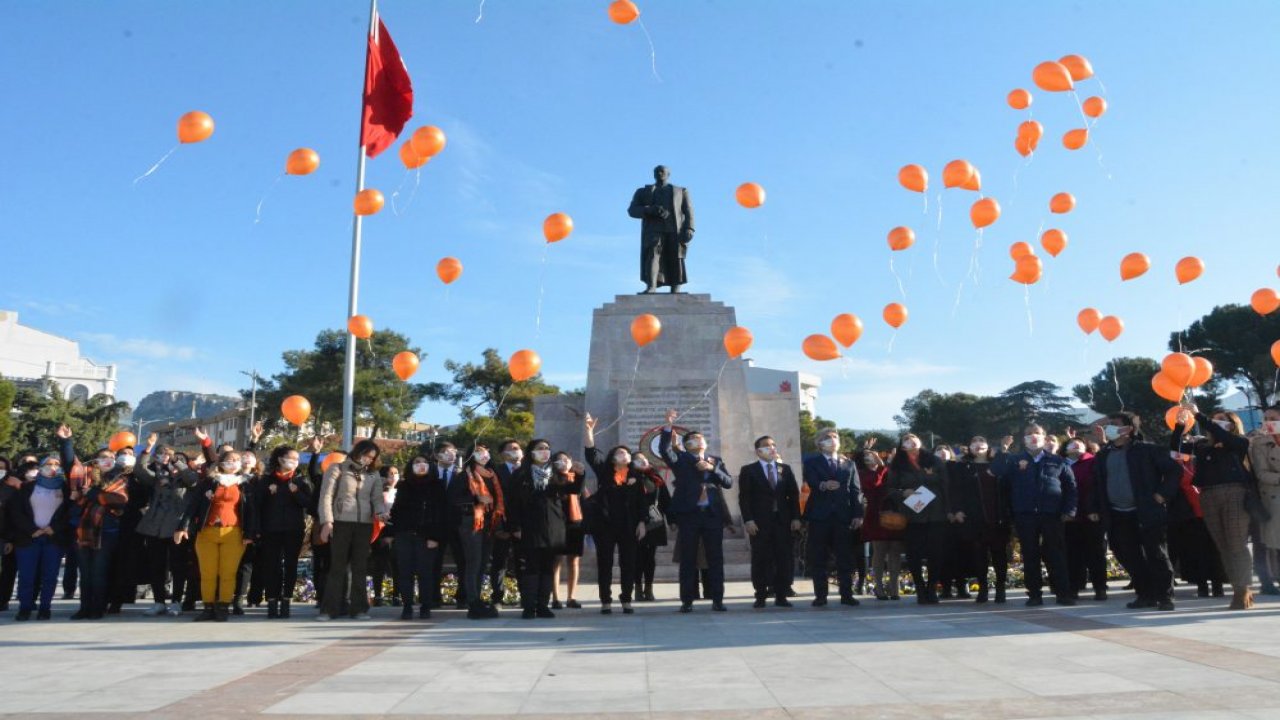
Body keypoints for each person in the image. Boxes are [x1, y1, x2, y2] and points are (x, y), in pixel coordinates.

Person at [1089, 412, 1183, 611]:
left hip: (1146, 512)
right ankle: (1144, 594)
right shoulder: (1103, 454)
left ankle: (1165, 596)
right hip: (1117, 514)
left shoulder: (1148, 450)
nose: (1109, 428)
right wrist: (1095, 508)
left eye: (1114, 424)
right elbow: (1097, 484)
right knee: (1129, 555)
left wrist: (1162, 494)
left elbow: (1174, 470)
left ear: (1128, 429)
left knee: (1156, 554)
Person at [1175, 408, 1255, 609]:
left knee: (1237, 544)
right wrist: (1179, 427)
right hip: (1208, 495)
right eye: (1214, 420)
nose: (1216, 423)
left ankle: (1242, 589)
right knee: (1223, 546)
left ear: (1232, 424)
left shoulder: (1239, 443)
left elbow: (1225, 437)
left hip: (1235, 493)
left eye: (1221, 420)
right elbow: (1174, 450)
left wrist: (1201, 416)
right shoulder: (1202, 447)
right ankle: (1238, 586)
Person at [992, 424, 1077, 606]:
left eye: (1037, 433)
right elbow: (1002, 486)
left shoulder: (1057, 461)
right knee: (1030, 555)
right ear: (1023, 439)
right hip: (1025, 515)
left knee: (1056, 554)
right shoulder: (1014, 461)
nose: (1033, 437)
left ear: (1045, 437)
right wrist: (1009, 514)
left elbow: (1071, 488)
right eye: (1028, 434)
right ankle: (1034, 594)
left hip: (1052, 515)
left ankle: (1063, 593)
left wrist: (1069, 510)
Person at [660, 409, 734, 613]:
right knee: (688, 559)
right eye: (692, 439)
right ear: (686, 445)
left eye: (700, 438)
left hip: (712, 515)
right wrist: (668, 427)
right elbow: (665, 451)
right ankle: (687, 600)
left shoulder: (715, 460)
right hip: (689, 515)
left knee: (715, 558)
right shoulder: (681, 460)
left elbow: (728, 482)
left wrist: (712, 469)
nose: (697, 441)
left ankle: (717, 599)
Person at [175, 450, 258, 622]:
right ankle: (208, 607)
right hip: (207, 531)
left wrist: (249, 534)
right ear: (221, 463)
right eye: (229, 460)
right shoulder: (208, 482)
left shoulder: (245, 484)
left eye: (237, 460)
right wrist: (182, 527)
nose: (233, 463)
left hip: (233, 532)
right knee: (208, 572)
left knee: (228, 572)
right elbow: (192, 506)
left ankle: (223, 607)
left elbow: (252, 512)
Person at [59, 425, 130, 620]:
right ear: (96, 461)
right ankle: (84, 607)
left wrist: (93, 494)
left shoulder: (119, 477)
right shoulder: (86, 475)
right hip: (84, 530)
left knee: (99, 573)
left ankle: (97, 608)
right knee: (86, 573)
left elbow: (120, 500)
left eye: (111, 457)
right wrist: (66, 442)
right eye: (103, 457)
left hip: (107, 531)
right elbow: (70, 464)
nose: (107, 460)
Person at [315, 440, 388, 621]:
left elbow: (377, 499)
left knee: (360, 567)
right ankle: (329, 609)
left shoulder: (374, 474)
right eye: (366, 455)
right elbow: (326, 497)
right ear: (357, 452)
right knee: (337, 566)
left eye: (372, 458)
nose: (368, 460)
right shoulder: (337, 469)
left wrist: (380, 512)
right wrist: (327, 522)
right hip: (340, 522)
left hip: (364, 524)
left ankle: (359, 609)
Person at [584, 414, 649, 615]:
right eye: (620, 453)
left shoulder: (636, 476)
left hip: (629, 525)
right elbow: (591, 453)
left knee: (628, 563)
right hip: (605, 525)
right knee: (605, 563)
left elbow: (642, 502)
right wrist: (589, 431)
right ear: (613, 457)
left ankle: (626, 599)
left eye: (627, 453)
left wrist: (642, 522)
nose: (625, 456)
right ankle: (605, 600)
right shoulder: (605, 471)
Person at [134, 434, 199, 616]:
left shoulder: (186, 479)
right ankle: (159, 601)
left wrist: (178, 463)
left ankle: (176, 601)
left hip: (177, 527)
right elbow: (140, 471)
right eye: (164, 455)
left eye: (175, 458)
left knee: (178, 566)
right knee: (157, 565)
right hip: (154, 526)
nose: (169, 459)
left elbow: (193, 480)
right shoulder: (158, 478)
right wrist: (148, 449)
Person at [508, 439, 569, 619]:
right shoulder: (521, 474)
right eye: (540, 449)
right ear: (531, 452)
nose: (544, 452)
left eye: (547, 449)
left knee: (548, 568)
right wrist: (515, 526)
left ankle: (543, 605)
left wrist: (576, 474)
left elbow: (573, 491)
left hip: (553, 527)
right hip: (529, 527)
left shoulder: (557, 474)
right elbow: (512, 503)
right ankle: (528, 606)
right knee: (531, 568)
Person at [8, 455, 73, 620]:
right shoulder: (27, 487)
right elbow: (16, 512)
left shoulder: (65, 489)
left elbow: (69, 513)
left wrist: (55, 528)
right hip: (29, 538)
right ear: (41, 467)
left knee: (50, 576)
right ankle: (25, 608)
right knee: (26, 576)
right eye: (48, 464)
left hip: (53, 539)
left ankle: (45, 608)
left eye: (56, 464)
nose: (52, 467)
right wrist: (32, 530)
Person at [802, 429, 863, 607]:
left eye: (835, 437)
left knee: (845, 558)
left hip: (843, 516)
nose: (832, 440)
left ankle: (847, 594)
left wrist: (858, 513)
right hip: (820, 516)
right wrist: (823, 484)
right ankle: (821, 595)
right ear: (820, 443)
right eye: (827, 438)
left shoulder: (849, 464)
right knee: (818, 558)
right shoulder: (812, 462)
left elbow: (855, 490)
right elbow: (812, 480)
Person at [739, 435, 801, 608]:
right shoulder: (749, 470)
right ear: (758, 451)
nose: (771, 448)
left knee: (783, 558)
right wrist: (748, 520)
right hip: (759, 522)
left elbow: (793, 495)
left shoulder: (785, 469)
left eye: (773, 445)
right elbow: (744, 498)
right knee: (760, 558)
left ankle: (781, 594)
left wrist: (796, 517)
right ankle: (760, 594)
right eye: (766, 446)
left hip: (782, 521)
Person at [886, 433, 948, 604]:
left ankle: (932, 588)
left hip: (935, 513)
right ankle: (920, 588)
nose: (911, 441)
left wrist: (949, 510)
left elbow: (944, 484)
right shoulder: (897, 464)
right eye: (906, 439)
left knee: (936, 553)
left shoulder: (933, 460)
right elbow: (890, 489)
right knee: (914, 554)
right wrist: (903, 492)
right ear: (902, 445)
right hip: (912, 515)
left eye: (913, 437)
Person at [947, 437, 1009, 603]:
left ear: (988, 446)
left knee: (1000, 555)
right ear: (969, 447)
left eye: (982, 441)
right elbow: (954, 490)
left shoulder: (998, 464)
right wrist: (957, 510)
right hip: (974, 517)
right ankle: (983, 588)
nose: (978, 444)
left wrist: (1003, 451)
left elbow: (1008, 486)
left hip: (998, 517)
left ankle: (1001, 588)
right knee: (979, 555)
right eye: (974, 442)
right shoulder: (962, 467)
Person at [256, 444, 313, 619]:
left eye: (297, 459)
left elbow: (310, 504)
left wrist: (296, 493)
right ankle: (272, 601)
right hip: (271, 529)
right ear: (280, 459)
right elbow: (257, 505)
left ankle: (286, 601)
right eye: (291, 458)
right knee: (271, 566)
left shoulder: (300, 480)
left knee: (290, 565)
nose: (294, 462)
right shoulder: (266, 480)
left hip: (293, 529)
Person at [390, 454, 446, 620]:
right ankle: (407, 605)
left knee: (425, 572)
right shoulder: (404, 485)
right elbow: (396, 510)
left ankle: (426, 606)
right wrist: (392, 532)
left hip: (427, 536)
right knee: (405, 571)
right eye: (416, 462)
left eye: (424, 462)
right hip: (404, 534)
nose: (420, 465)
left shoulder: (437, 486)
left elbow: (441, 514)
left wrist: (435, 536)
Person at [627, 164, 695, 294]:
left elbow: (688, 211)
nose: (659, 174)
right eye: (657, 172)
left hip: (675, 230)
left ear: (668, 174)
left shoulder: (680, 191)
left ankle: (676, 287)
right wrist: (649, 209)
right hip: (653, 230)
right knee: (652, 255)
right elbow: (632, 210)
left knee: (676, 257)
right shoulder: (643, 192)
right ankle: (651, 286)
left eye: (662, 171)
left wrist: (690, 228)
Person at [457, 445, 504, 619]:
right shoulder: (465, 475)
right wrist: (476, 499)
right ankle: (473, 602)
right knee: (473, 563)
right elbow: (454, 498)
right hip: (472, 522)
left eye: (486, 451)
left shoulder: (493, 474)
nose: (484, 454)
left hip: (489, 523)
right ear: (471, 455)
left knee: (483, 563)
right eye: (479, 451)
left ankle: (477, 599)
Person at [1062, 435, 1108, 601]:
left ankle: (1100, 587)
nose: (1075, 445)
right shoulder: (1061, 464)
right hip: (1069, 517)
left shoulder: (1094, 462)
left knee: (1096, 553)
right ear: (1065, 449)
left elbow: (1098, 487)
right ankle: (1074, 587)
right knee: (1072, 554)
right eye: (1071, 443)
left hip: (1092, 515)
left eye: (1079, 443)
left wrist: (1094, 508)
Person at [858, 446, 903, 600]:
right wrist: (882, 465)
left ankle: (894, 588)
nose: (872, 458)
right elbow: (874, 483)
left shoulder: (890, 470)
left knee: (895, 551)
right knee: (879, 551)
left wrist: (888, 464)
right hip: (876, 515)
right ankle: (879, 587)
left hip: (895, 513)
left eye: (874, 455)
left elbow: (896, 482)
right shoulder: (863, 474)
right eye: (868, 457)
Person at [488, 440, 525, 606]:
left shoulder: (528, 470)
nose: (516, 451)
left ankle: (527, 597)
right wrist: (499, 527)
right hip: (501, 524)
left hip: (523, 526)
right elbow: (493, 500)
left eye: (518, 449)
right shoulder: (495, 472)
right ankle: (497, 597)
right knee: (499, 563)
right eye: (511, 449)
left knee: (523, 562)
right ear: (502, 454)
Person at [1249, 405, 1280, 595]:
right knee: (1273, 543)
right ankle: (1267, 580)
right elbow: (1261, 472)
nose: (1268, 421)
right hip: (1273, 496)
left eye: (1273, 417)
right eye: (1266, 417)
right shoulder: (1260, 443)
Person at [632, 452, 669, 602]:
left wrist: (672, 519)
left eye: (644, 459)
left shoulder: (655, 476)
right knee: (637, 556)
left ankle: (649, 587)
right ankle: (638, 587)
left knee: (650, 557)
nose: (642, 461)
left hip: (654, 518)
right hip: (635, 520)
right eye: (638, 460)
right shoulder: (629, 476)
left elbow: (665, 498)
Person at [550, 454, 585, 610]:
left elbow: (582, 494)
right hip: (557, 522)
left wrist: (580, 474)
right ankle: (556, 598)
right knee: (556, 561)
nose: (564, 463)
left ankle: (571, 597)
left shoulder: (575, 478)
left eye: (567, 460)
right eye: (560, 460)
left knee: (574, 560)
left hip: (575, 521)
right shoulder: (551, 478)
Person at [369, 466, 400, 608]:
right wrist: (385, 534)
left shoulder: (401, 491)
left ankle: (397, 595)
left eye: (396, 473)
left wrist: (393, 534)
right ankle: (378, 595)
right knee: (379, 565)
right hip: (380, 533)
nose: (393, 477)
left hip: (398, 533)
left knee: (398, 566)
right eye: (390, 474)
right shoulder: (377, 493)